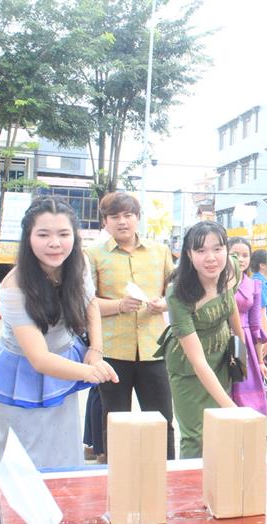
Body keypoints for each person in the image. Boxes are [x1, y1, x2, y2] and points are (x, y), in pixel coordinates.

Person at [0, 197, 118, 469]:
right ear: (28, 237)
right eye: (43, 234)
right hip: (22, 373)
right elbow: (39, 358)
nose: (55, 243)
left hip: (63, 362)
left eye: (63, 234)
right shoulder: (15, 286)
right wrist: (91, 372)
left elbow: (90, 304)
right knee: (25, 461)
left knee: (64, 451)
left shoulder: (79, 264)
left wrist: (96, 350)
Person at [85, 192, 176, 461]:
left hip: (154, 349)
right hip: (113, 350)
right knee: (115, 421)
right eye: (114, 216)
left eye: (128, 215)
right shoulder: (93, 255)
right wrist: (119, 305)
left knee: (162, 418)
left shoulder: (160, 251)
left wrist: (164, 304)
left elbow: (175, 292)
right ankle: (117, 473)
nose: (122, 221)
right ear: (105, 221)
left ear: (137, 218)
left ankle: (166, 471)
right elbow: (86, 303)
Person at [155, 221, 243, 458]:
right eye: (201, 250)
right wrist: (231, 407)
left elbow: (231, 306)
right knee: (195, 436)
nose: (211, 258)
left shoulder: (232, 268)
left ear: (227, 249)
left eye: (217, 248)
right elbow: (198, 361)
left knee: (220, 431)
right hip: (189, 367)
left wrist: (243, 354)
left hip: (222, 357)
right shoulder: (177, 293)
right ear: (188, 254)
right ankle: (190, 480)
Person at [229, 237, 267, 415]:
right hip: (220, 339)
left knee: (245, 398)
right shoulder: (216, 282)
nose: (240, 259)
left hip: (244, 344)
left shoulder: (254, 285)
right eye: (235, 254)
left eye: (245, 255)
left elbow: (255, 326)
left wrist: (260, 361)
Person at [250, 249, 267, 364]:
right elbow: (261, 315)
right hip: (260, 336)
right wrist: (266, 342)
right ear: (262, 265)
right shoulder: (259, 284)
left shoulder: (263, 283)